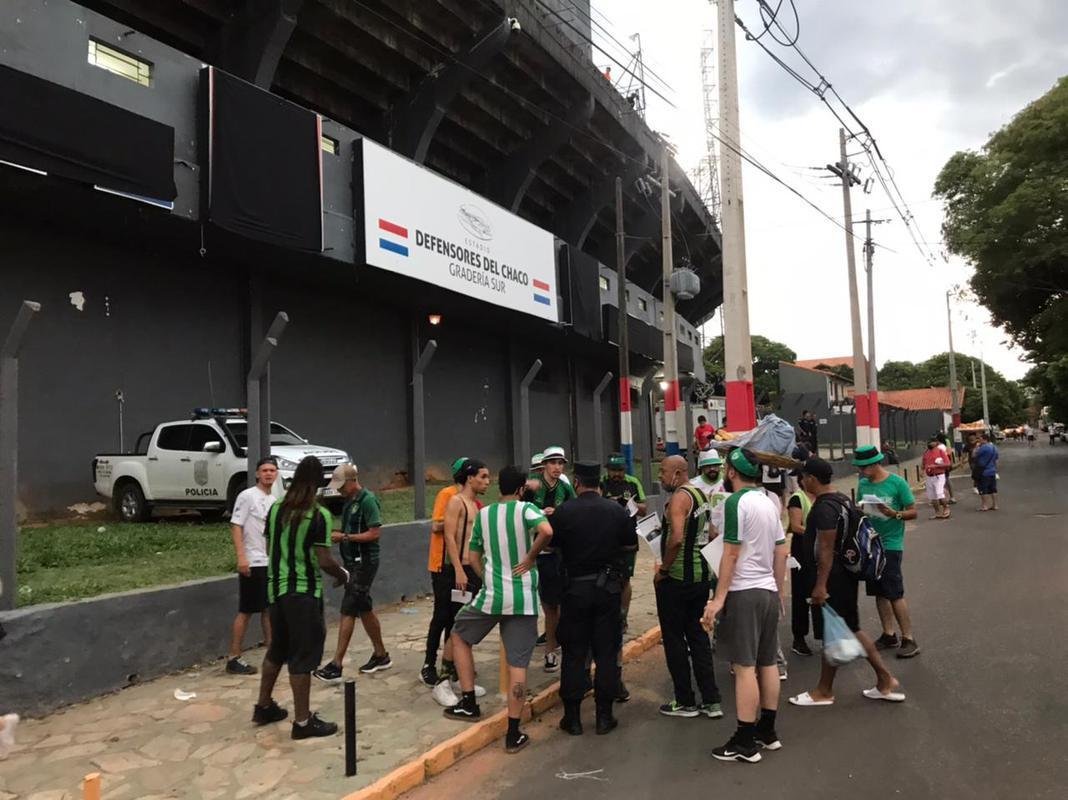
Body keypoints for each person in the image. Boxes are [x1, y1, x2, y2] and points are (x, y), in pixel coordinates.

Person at [443, 466, 555, 755]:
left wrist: (485, 576)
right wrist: (530, 557)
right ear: (520, 490)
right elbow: (546, 530)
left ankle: (468, 701)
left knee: (459, 635)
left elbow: (472, 555)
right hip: (524, 599)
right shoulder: (526, 509)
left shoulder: (484, 514)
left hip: (492, 596)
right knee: (518, 665)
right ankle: (514, 732)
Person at [788, 457, 904, 710]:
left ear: (812, 479)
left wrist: (820, 585)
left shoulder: (824, 508)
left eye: (804, 476)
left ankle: (824, 690)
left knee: (834, 631)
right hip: (844, 577)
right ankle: (884, 679)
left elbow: (826, 549)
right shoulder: (842, 499)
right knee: (850, 627)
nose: (801, 480)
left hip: (833, 579)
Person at [699, 449, 787, 763]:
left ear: (732, 471)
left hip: (744, 591)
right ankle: (768, 730)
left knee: (744, 666)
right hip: (766, 590)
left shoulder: (736, 502)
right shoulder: (769, 501)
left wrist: (719, 599)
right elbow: (781, 550)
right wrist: (779, 592)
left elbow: (731, 553)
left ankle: (745, 740)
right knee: (767, 663)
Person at [254, 456, 349, 739]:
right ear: (319, 482)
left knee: (277, 649)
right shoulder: (318, 515)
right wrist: (342, 575)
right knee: (303, 656)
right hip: (304, 593)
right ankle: (303, 722)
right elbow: (324, 559)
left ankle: (264, 705)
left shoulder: (275, 510)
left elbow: (271, 548)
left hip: (276, 590)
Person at [552, 461, 637, 736]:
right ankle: (604, 716)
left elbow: (553, 546)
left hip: (574, 591)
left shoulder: (564, 512)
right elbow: (630, 545)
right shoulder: (615, 511)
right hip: (607, 590)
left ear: (576, 482)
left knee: (575, 653)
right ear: (599, 484)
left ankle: (573, 718)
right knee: (606, 654)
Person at [654, 455, 721, 719]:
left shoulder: (680, 498)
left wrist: (664, 570)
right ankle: (712, 700)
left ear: (678, 472)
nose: (660, 476)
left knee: (674, 640)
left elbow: (677, 539)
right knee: (698, 636)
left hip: (678, 579)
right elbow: (712, 534)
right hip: (700, 577)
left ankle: (685, 700)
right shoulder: (701, 495)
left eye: (663, 471)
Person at [313, 464, 390, 683]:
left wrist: (345, 537)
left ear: (352, 481)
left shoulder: (367, 501)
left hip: (365, 562)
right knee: (364, 607)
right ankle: (381, 654)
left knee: (348, 609)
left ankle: (336, 664)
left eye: (341, 485)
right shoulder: (349, 503)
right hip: (352, 563)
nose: (339, 490)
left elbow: (374, 533)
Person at [855, 446, 921, 658]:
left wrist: (894, 514)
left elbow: (913, 512)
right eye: (860, 467)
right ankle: (888, 633)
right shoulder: (863, 484)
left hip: (891, 544)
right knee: (878, 591)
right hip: (870, 543)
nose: (862, 471)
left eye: (865, 467)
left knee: (894, 591)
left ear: (876, 464)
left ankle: (908, 637)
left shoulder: (897, 483)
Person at [524, 445, 577, 672]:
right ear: (544, 465)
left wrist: (561, 512)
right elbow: (520, 510)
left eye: (560, 463)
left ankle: (557, 645)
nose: (557, 467)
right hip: (537, 552)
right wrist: (539, 513)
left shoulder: (564, 487)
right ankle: (548, 647)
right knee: (547, 605)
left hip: (560, 551)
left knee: (562, 601)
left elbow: (575, 509)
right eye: (553, 462)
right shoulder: (532, 487)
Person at [226, 456, 279, 675]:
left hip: (267, 561)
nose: (268, 474)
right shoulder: (247, 496)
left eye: (272, 470)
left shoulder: (274, 499)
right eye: (264, 470)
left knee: (268, 607)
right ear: (257, 473)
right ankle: (234, 656)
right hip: (252, 560)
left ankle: (273, 649)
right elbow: (236, 526)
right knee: (247, 610)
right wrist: (242, 557)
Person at [422, 456, 469, 686]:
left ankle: (450, 665)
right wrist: (456, 520)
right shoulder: (447, 494)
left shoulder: (468, 500)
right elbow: (436, 524)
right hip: (442, 565)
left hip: (460, 566)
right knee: (441, 616)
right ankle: (428, 664)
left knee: (456, 616)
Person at [601, 453, 647, 632]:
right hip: (604, 538)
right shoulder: (601, 483)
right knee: (604, 577)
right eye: (613, 470)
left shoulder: (633, 483)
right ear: (607, 470)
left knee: (624, 580)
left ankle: (623, 617)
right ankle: (606, 615)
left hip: (627, 538)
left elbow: (644, 509)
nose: (616, 474)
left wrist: (628, 503)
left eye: (619, 470)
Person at [786, 475, 821, 656]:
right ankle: (799, 638)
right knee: (801, 595)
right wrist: (819, 532)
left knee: (819, 592)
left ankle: (823, 635)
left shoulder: (820, 497)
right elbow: (795, 525)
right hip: (801, 551)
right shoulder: (797, 498)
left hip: (818, 551)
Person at [923, 439, 950, 520]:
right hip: (929, 476)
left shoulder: (940, 451)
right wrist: (922, 470)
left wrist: (935, 466)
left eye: (932, 442)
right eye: (929, 442)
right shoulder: (926, 453)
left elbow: (947, 463)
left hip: (939, 475)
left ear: (936, 443)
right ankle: (937, 512)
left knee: (939, 493)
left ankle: (946, 508)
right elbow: (923, 462)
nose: (930, 443)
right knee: (932, 496)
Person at [973, 433, 999, 511]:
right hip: (992, 470)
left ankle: (984, 505)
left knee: (983, 489)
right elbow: (996, 459)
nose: (979, 441)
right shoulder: (994, 447)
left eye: (980, 439)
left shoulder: (983, 448)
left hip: (984, 471)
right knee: (993, 489)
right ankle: (995, 505)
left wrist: (976, 447)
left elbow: (974, 455)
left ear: (985, 439)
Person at [935, 432, 956, 505]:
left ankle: (944, 499)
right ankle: (951, 497)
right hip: (946, 465)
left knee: (943, 481)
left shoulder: (940, 447)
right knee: (946, 480)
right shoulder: (944, 445)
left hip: (942, 466)